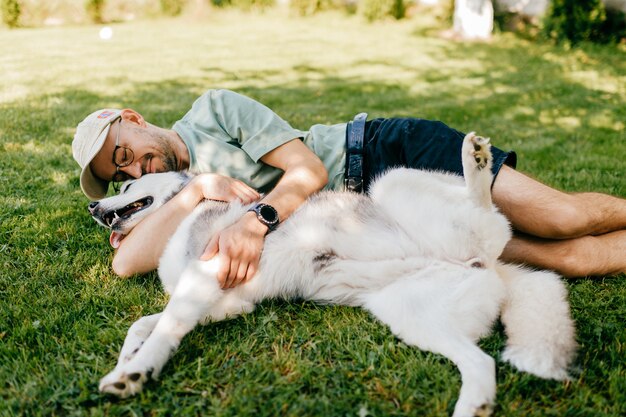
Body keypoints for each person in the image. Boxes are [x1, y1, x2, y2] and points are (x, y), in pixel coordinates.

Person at [72, 89, 626, 288]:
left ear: (133, 117)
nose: (136, 171)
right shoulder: (171, 188)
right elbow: (125, 265)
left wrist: (255, 218)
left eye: (125, 152)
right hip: (381, 226)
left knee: (562, 220)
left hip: (384, 152)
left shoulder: (214, 111)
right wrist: (199, 191)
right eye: (122, 175)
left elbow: (308, 172)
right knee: (572, 260)